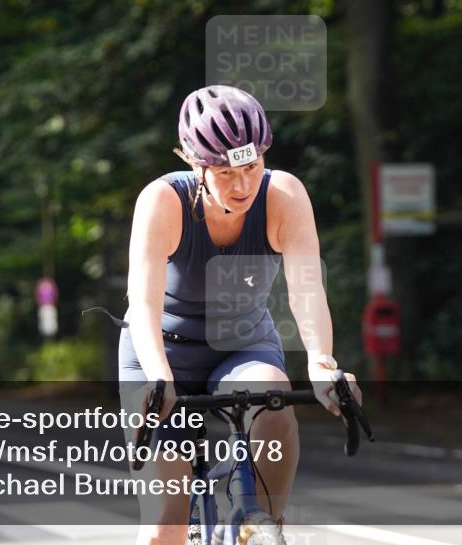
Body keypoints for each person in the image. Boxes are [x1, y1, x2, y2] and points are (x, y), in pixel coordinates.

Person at [118, 85, 361, 545]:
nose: (244, 184)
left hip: (242, 346)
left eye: (251, 167)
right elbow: (143, 305)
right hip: (159, 353)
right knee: (164, 524)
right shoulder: (162, 201)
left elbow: (307, 290)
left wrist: (323, 363)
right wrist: (158, 378)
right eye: (226, 172)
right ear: (196, 164)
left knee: (274, 397)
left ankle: (262, 523)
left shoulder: (284, 196)